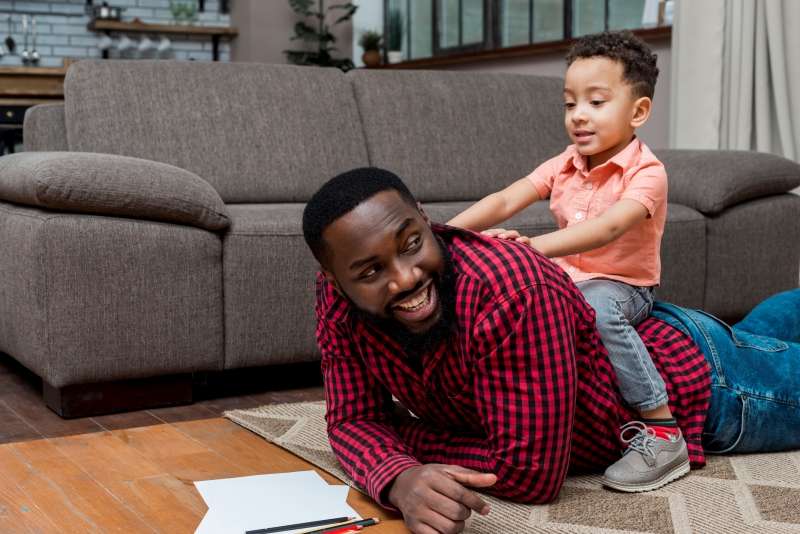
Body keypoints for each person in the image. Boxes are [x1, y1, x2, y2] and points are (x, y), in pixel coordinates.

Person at [302, 167, 800, 534]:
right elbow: (350, 420)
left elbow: (529, 474)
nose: (404, 277)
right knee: (762, 335)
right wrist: (398, 477)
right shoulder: (337, 302)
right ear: (335, 280)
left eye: (412, 243)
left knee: (755, 352)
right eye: (369, 273)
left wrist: (400, 443)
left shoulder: (511, 288)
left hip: (709, 389)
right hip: (673, 341)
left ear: (428, 223)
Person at [447, 30, 677, 491]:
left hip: (622, 285)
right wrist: (447, 235)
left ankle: (663, 430)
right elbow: (505, 198)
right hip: (565, 276)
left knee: (597, 307)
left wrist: (529, 249)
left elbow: (610, 227)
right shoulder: (565, 162)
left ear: (638, 112)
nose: (578, 116)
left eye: (595, 102)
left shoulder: (648, 173)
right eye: (570, 104)